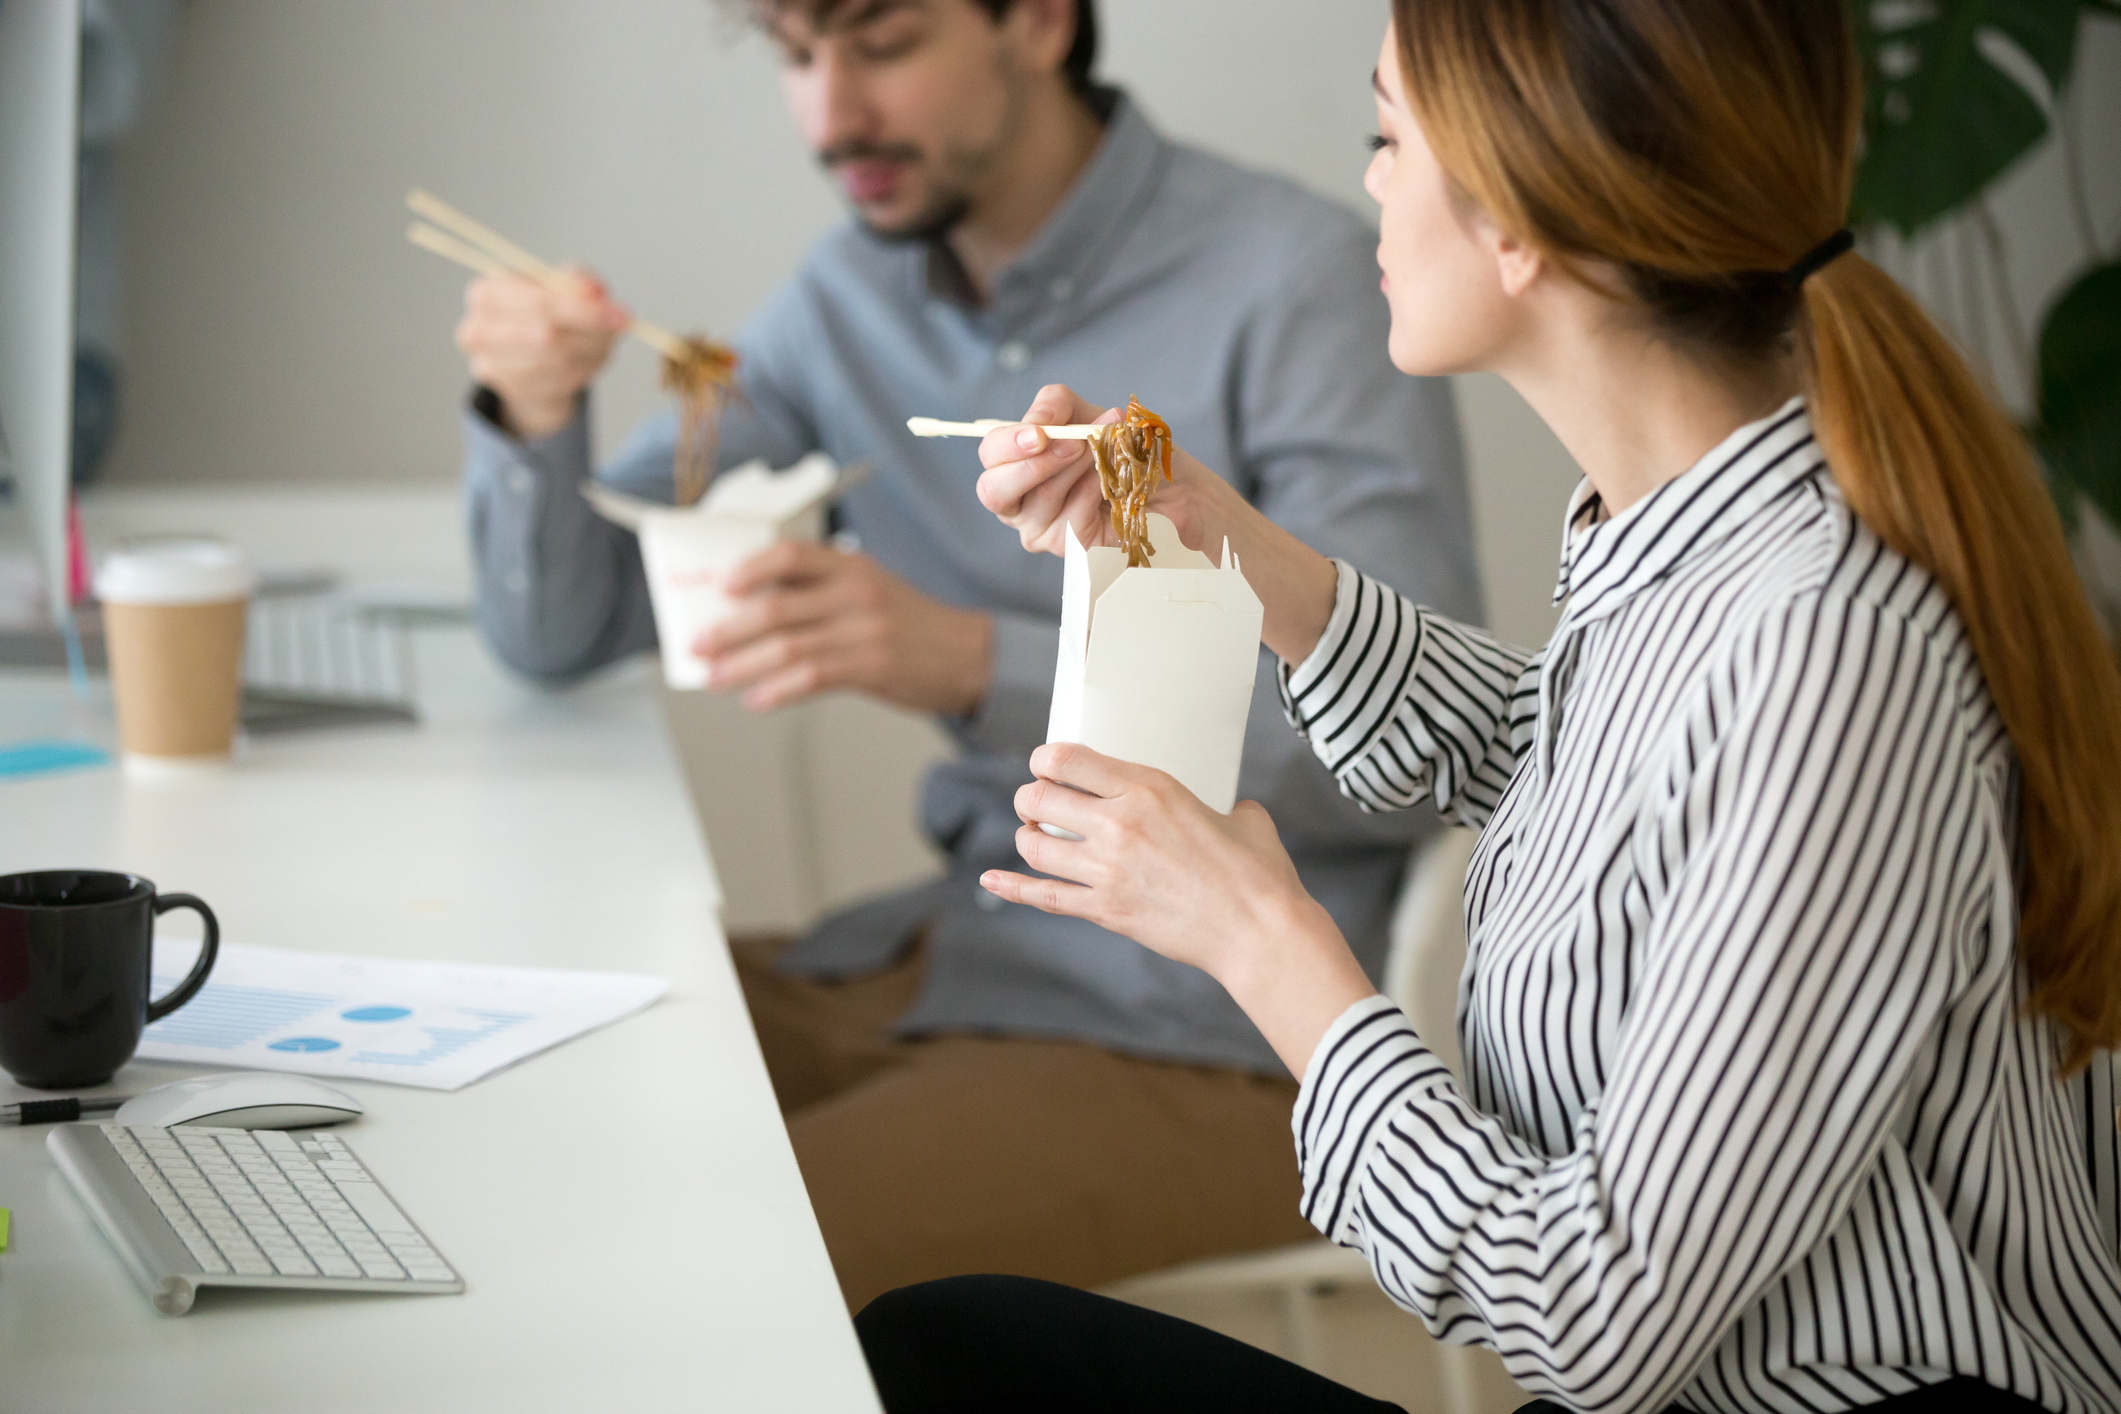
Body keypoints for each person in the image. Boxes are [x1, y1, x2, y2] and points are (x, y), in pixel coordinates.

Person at [856, 0, 2121, 1410]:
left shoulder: (1828, 646)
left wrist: (1261, 940)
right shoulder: (1697, 541)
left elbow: (1597, 1317)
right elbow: (1588, 773)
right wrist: (1233, 545)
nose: (1371, 185)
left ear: (1519, 228)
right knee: (941, 1339)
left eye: (1388, 138)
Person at [450, 0, 1481, 1311]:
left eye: (880, 46)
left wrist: (964, 659)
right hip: (945, 952)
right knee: (513, 1124)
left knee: (709, 1275)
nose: (832, 117)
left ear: (1039, 22)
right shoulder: (846, 303)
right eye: (795, 58)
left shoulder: (1305, 281)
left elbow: (1406, 762)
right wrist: (527, 412)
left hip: (1217, 1037)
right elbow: (563, 627)